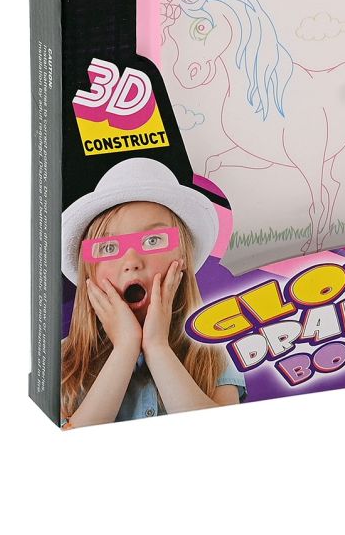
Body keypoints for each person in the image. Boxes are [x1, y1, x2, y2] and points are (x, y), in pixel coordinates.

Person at [60, 157, 245, 427]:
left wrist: (157, 347)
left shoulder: (210, 352)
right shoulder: (64, 359)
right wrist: (125, 346)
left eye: (153, 240)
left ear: (182, 259)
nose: (132, 261)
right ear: (89, 271)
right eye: (109, 247)